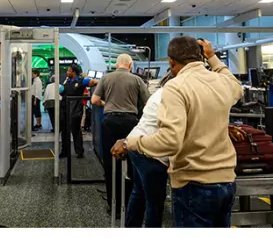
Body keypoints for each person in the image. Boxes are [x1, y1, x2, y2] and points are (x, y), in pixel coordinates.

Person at [113, 38, 243, 228]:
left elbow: (170, 141)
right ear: (201, 56)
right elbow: (235, 89)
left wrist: (129, 143)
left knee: (148, 198)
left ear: (171, 62)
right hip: (226, 181)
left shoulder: (176, 87)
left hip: (194, 181)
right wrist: (213, 57)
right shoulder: (220, 80)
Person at [112, 72, 174, 227]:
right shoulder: (172, 95)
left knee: (139, 192)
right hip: (151, 152)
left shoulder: (160, 92)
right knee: (155, 202)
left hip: (136, 143)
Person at [91, 54, 149, 218]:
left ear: (117, 65)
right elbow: (148, 103)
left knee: (110, 164)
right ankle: (129, 205)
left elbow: (95, 100)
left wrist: (107, 104)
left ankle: (113, 206)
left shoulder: (106, 78)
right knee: (132, 164)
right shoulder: (137, 80)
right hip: (130, 123)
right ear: (130, 65)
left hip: (109, 122)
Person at [60, 64, 98, 159]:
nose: (67, 72)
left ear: (74, 72)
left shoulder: (82, 81)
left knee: (76, 131)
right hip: (65, 108)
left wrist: (95, 83)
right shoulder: (66, 81)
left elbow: (94, 82)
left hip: (76, 109)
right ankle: (64, 151)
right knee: (64, 132)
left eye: (69, 71)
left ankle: (79, 151)